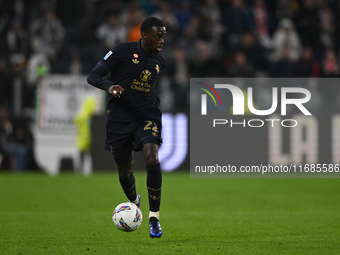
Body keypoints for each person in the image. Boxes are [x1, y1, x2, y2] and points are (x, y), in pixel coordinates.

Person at [87, 17, 166, 238]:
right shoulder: (121, 51)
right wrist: (109, 86)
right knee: (125, 171)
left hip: (147, 115)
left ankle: (154, 218)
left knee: (152, 158)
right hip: (119, 119)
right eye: (157, 35)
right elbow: (93, 76)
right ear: (144, 35)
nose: (162, 40)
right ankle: (134, 201)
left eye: (164, 36)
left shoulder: (160, 61)